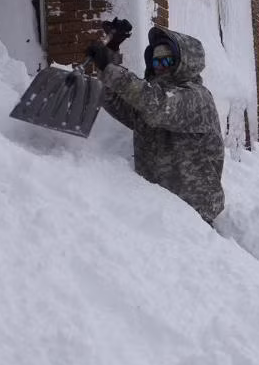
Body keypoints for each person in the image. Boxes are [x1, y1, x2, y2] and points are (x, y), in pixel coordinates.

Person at [86, 23, 225, 225]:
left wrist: (111, 70)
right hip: (157, 212)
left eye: (167, 61)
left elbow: (158, 105)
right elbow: (116, 100)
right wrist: (111, 53)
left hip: (194, 214)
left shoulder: (197, 98)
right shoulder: (151, 98)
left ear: (184, 63)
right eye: (156, 62)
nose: (160, 67)